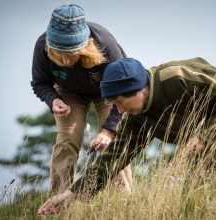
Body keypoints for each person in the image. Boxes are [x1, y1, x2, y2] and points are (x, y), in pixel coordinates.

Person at [37, 57, 216, 217]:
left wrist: (204, 134)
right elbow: (112, 158)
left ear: (139, 88)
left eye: (122, 102)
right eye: (116, 106)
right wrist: (71, 193)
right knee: (209, 199)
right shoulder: (137, 118)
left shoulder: (177, 77)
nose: (120, 111)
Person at [31, 4, 132, 193]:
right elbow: (40, 83)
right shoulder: (42, 45)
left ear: (85, 46)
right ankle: (58, 201)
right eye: (59, 55)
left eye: (71, 54)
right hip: (68, 93)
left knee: (112, 142)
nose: (66, 61)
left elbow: (125, 89)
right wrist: (53, 100)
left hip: (110, 91)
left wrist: (108, 131)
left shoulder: (105, 44)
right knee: (67, 141)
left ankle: (122, 200)